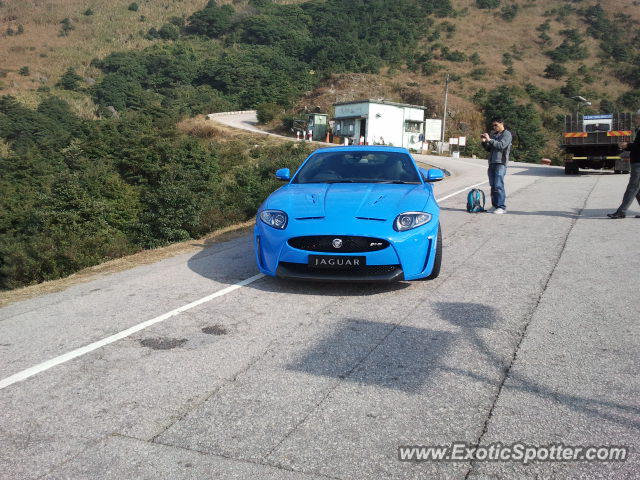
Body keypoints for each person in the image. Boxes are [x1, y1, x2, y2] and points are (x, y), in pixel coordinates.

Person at [607, 110, 640, 219]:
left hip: (639, 164)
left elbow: (638, 147)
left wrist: (627, 145)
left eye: (637, 117)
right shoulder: (638, 130)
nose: (635, 119)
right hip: (636, 162)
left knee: (632, 187)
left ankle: (621, 211)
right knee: (637, 189)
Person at [481, 118, 512, 214]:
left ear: (501, 123)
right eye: (493, 125)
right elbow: (489, 148)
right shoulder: (494, 134)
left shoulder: (507, 134)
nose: (494, 127)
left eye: (496, 125)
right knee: (493, 185)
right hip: (492, 163)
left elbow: (501, 145)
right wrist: (484, 141)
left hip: (501, 163)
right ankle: (494, 206)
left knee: (498, 185)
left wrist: (490, 139)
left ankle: (501, 207)